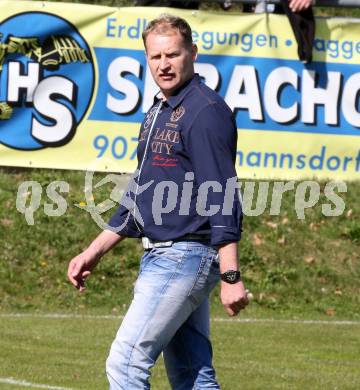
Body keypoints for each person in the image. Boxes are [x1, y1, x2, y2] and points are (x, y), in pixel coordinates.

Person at [67, 14, 248, 389]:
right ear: (147, 59)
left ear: (192, 53)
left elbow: (222, 194)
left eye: (173, 54)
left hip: (183, 257)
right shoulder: (158, 111)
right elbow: (141, 193)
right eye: (155, 57)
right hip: (167, 255)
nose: (164, 64)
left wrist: (232, 276)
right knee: (192, 375)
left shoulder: (205, 111)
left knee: (126, 363)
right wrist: (94, 250)